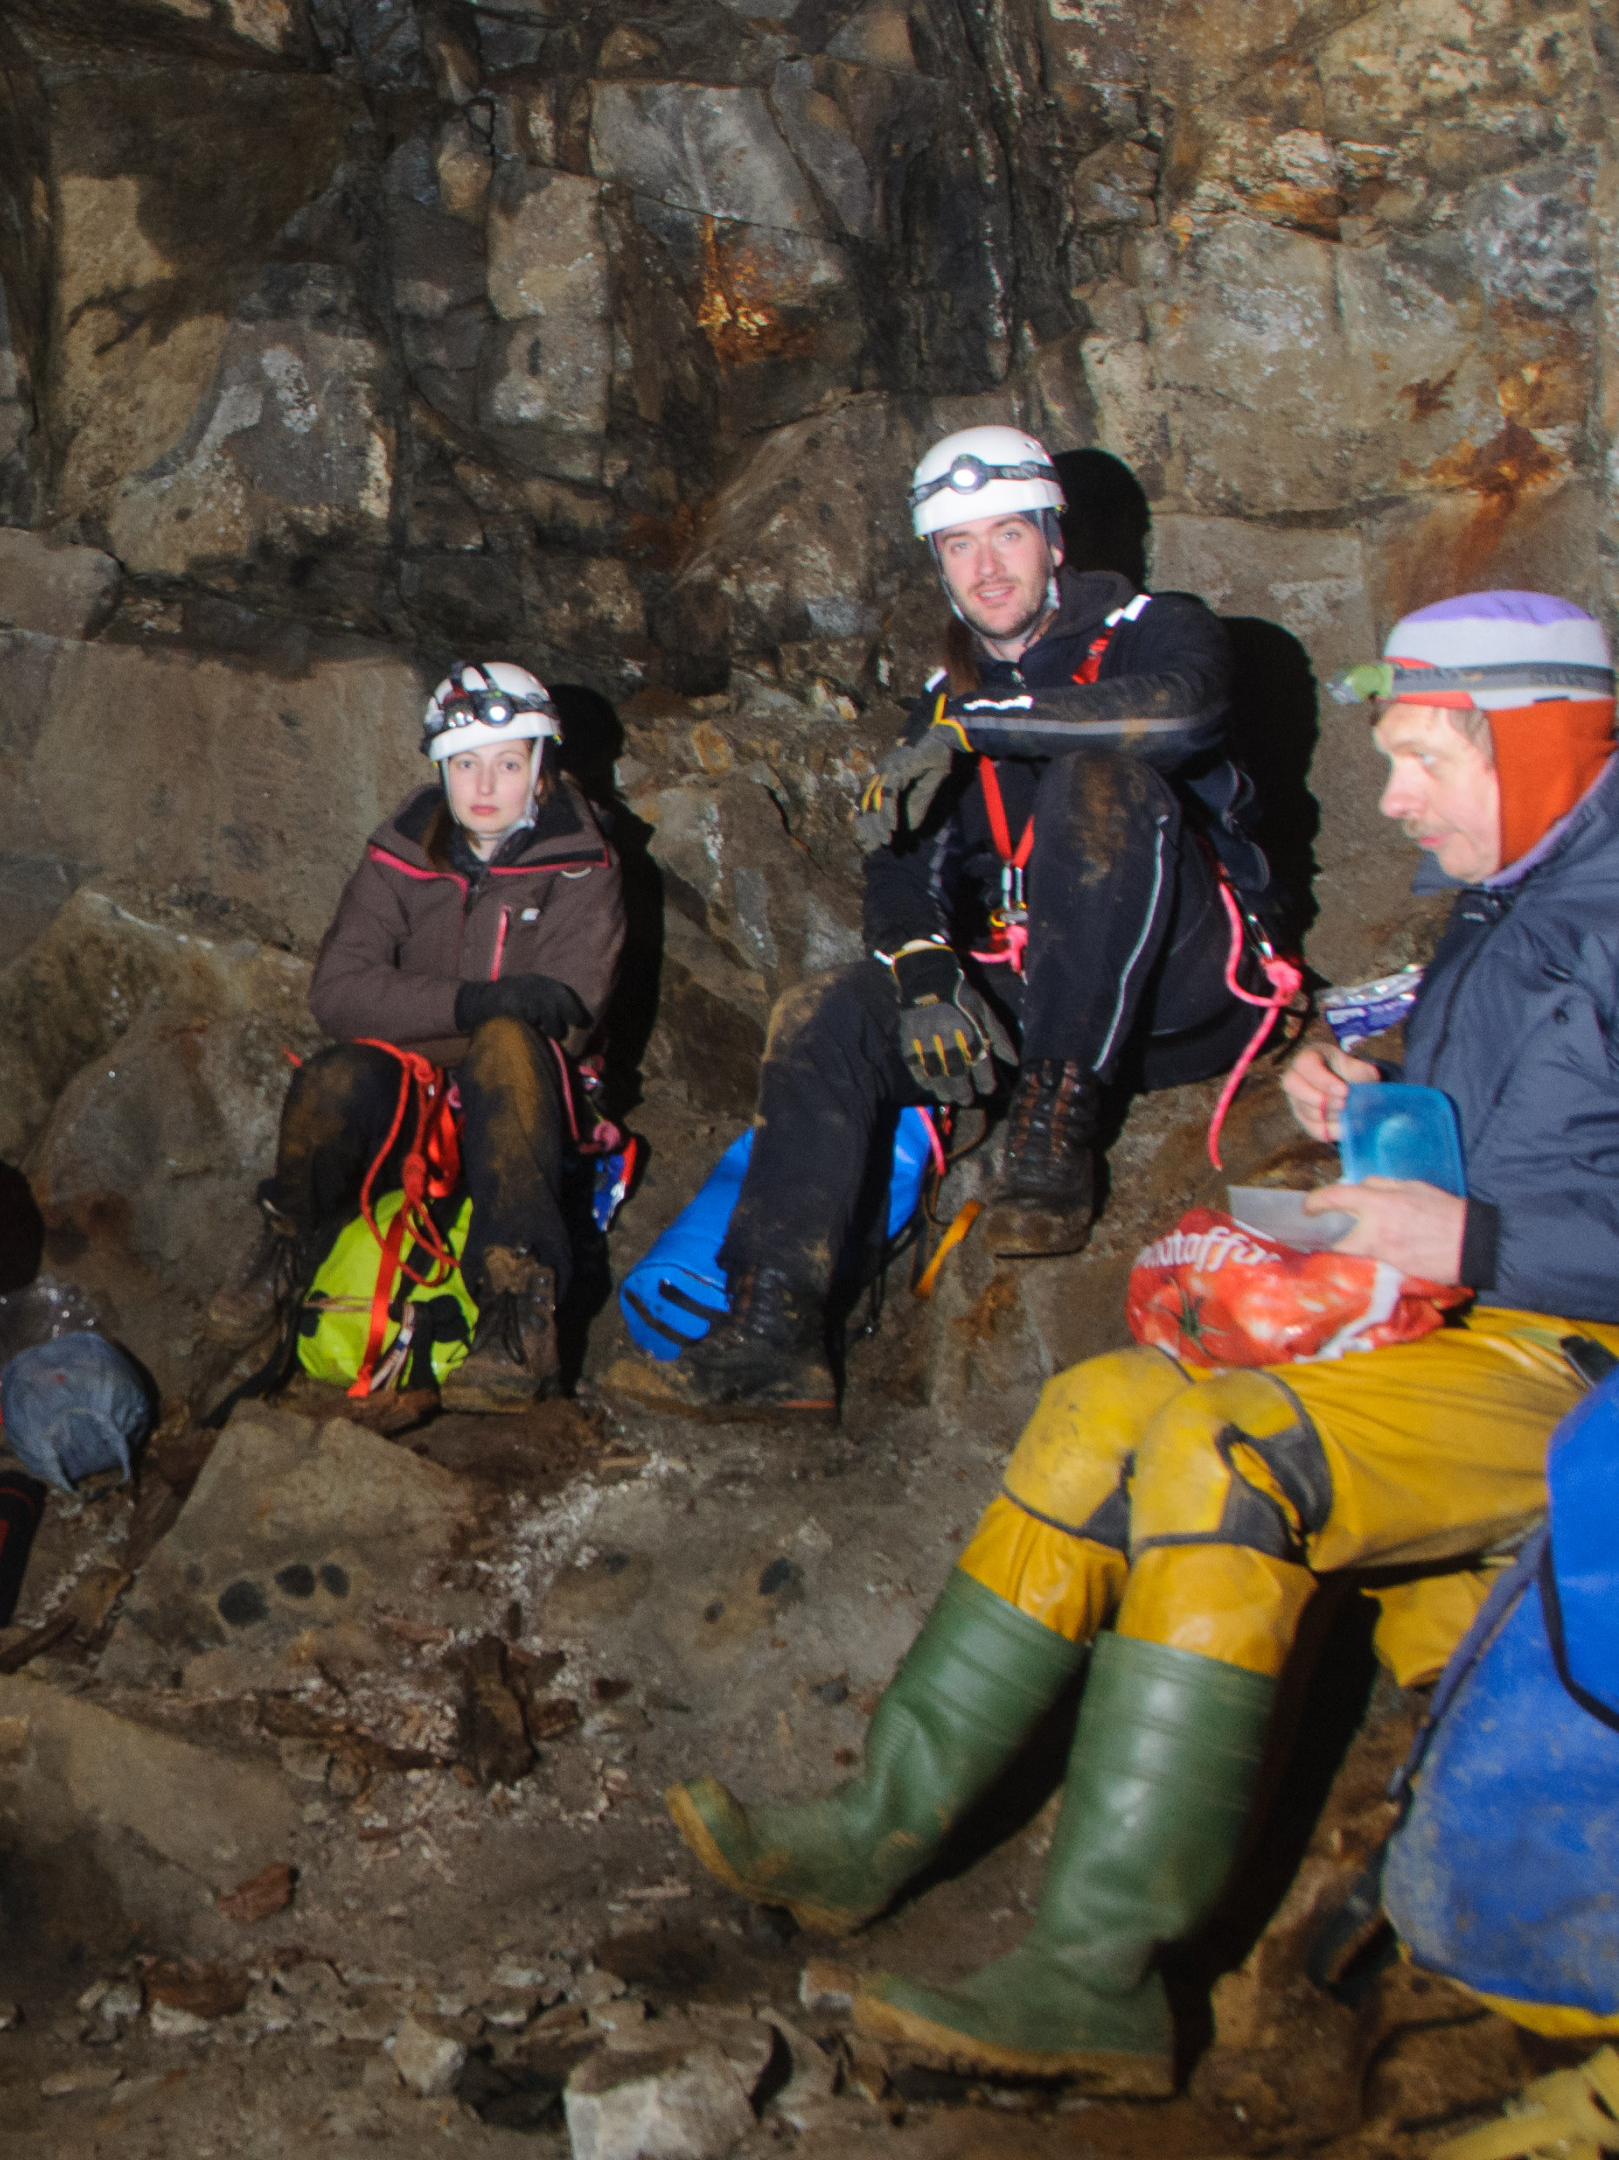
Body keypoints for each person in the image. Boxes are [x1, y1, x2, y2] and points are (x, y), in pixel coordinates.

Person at [662, 592, 1619, 2094]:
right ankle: (874, 1831)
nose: (1390, 798)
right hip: (1447, 1325)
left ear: (1537, 746)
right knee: (1096, 1411)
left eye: (1423, 759)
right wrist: (1372, 1085)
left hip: (1571, 1368)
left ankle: (1097, 1975)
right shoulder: (1511, 895)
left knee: (1225, 1451)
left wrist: (1479, 1243)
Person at [605, 426, 1279, 1421]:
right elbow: (903, 864)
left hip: (1182, 988)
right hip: (1039, 982)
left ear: (1055, 539)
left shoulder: (1154, 628)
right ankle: (773, 1328)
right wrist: (922, 967)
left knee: (1100, 777)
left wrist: (977, 729)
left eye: (1009, 534)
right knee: (828, 1013)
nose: (987, 566)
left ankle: (1052, 1140)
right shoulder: (947, 701)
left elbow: (1177, 716)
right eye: (960, 544)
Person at [218, 662, 624, 1411]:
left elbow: (567, 1015)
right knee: (335, 1077)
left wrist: (472, 1018)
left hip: (523, 1101)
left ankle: (517, 1314)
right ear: (441, 769)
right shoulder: (402, 852)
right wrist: (470, 1003)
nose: (484, 786)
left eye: (508, 764)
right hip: (420, 1088)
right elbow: (337, 992)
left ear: (541, 769)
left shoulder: (582, 866)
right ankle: (289, 1248)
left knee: (508, 1047)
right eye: (464, 764)